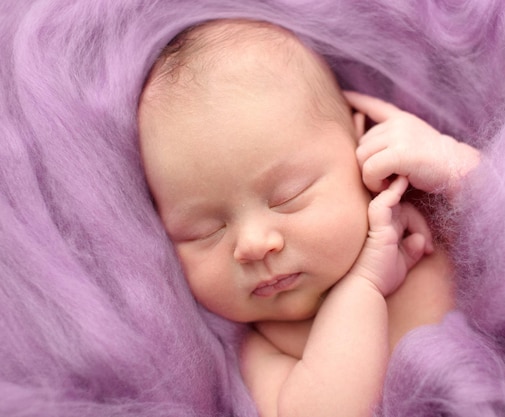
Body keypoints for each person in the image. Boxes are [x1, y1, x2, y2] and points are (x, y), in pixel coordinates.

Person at [137, 19, 480, 417]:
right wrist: (361, 287)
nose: (252, 244)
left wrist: (452, 164)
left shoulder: (425, 209)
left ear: (361, 141)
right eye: (205, 231)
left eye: (287, 198)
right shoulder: (262, 345)